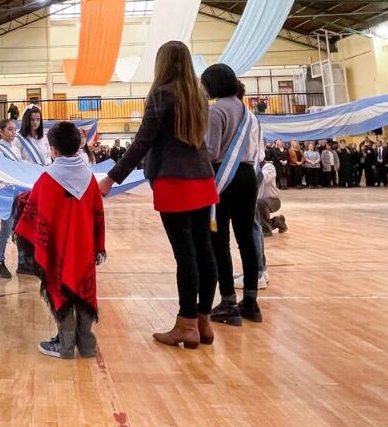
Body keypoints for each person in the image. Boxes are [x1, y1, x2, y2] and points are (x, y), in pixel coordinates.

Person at [98, 42, 218, 349]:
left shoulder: (162, 94)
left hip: (174, 182)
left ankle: (186, 323)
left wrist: (111, 178)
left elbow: (142, 143)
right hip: (204, 180)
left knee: (186, 255)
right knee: (205, 251)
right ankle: (203, 322)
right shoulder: (200, 96)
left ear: (162, 63)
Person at [16, 122, 106, 359]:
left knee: (59, 287)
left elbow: (33, 212)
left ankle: (65, 344)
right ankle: (86, 344)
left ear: (53, 149)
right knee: (84, 290)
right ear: (77, 147)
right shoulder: (89, 178)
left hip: (57, 250)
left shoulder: (47, 179)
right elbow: (98, 216)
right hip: (84, 250)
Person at [199, 63, 264, 327]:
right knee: (246, 237)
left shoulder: (217, 111)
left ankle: (227, 301)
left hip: (223, 177)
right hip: (248, 176)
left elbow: (212, 151)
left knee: (219, 239)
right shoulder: (248, 112)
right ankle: (250, 301)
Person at [0, 118, 24, 279]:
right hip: (8, 195)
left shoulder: (15, 149)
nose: (13, 132)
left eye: (14, 129)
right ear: (0, 132)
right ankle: (0, 261)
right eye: (9, 129)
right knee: (6, 228)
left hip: (19, 193)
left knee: (19, 228)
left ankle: (23, 260)